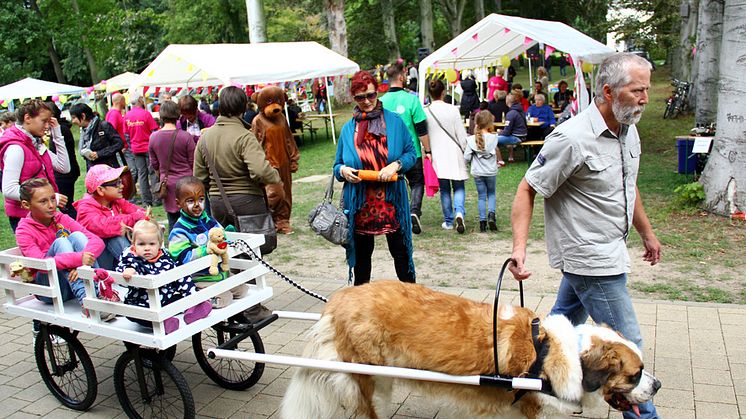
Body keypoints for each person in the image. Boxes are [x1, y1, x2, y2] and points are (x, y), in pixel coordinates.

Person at [509, 53, 660, 419]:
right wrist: (519, 249)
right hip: (590, 258)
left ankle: (529, 387)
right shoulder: (572, 138)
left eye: (647, 90)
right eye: (636, 90)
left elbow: (628, 184)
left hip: (611, 249)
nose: (644, 99)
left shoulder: (628, 129)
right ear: (608, 91)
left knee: (555, 333)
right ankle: (643, 414)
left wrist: (647, 233)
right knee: (628, 348)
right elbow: (527, 188)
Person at [194, 86, 281, 323]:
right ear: (244, 107)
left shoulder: (206, 136)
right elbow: (260, 170)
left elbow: (198, 176)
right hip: (247, 201)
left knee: (226, 253)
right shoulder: (244, 136)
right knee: (251, 254)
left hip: (218, 203)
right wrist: (276, 176)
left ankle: (232, 300)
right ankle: (252, 309)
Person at [335, 70, 417, 285]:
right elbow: (336, 166)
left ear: (378, 92)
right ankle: (361, 305)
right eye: (361, 98)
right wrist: (343, 171)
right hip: (361, 203)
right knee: (362, 261)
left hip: (391, 201)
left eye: (371, 95)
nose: (367, 102)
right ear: (354, 98)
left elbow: (411, 153)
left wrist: (396, 165)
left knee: (401, 254)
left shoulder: (395, 122)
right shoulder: (347, 129)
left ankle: (412, 303)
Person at [15, 178, 110, 320]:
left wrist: (80, 265)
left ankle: (96, 294)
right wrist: (78, 259)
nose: (51, 205)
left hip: (71, 281)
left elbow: (96, 241)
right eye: (43, 201)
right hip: (49, 290)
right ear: (26, 204)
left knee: (77, 236)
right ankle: (88, 302)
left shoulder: (60, 218)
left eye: (53, 198)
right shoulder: (24, 230)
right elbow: (40, 263)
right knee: (61, 242)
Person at [168, 177, 251, 311]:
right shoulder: (179, 230)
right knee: (225, 299)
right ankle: (199, 299)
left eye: (201, 199)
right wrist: (204, 251)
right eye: (190, 201)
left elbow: (220, 235)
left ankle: (220, 290)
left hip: (220, 273)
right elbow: (182, 257)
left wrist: (227, 236)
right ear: (179, 203)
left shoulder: (209, 220)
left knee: (242, 290)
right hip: (201, 278)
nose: (197, 205)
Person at [118, 218, 211, 333]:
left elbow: (176, 274)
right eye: (141, 244)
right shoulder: (132, 259)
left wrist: (188, 293)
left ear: (159, 244)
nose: (147, 248)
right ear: (134, 244)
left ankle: (193, 307)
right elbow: (122, 267)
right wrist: (128, 270)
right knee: (136, 313)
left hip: (165, 298)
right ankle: (164, 323)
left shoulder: (163, 256)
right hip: (142, 301)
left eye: (151, 244)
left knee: (180, 276)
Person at [0, 100, 70, 232]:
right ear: (27, 118)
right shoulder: (16, 148)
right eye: (44, 121)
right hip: (24, 217)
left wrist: (57, 133)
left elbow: (64, 167)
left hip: (40, 214)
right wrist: (49, 197)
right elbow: (9, 189)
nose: (47, 125)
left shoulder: (35, 143)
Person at [379, 61, 431, 234]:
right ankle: (414, 211)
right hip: (412, 152)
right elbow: (421, 129)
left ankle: (394, 215)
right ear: (401, 77)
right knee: (417, 183)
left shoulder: (380, 102)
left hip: (388, 153)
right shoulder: (411, 100)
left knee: (392, 184)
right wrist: (428, 150)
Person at [74, 165, 146, 270]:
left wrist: (137, 216)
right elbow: (105, 227)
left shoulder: (115, 202)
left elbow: (143, 213)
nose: (121, 186)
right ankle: (140, 270)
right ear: (100, 190)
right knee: (113, 235)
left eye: (121, 181)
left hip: (118, 259)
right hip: (98, 264)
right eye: (116, 184)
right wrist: (134, 218)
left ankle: (144, 266)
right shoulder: (85, 209)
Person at [424, 79, 469, 233]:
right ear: (443, 92)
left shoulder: (426, 111)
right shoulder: (452, 110)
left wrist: (428, 151)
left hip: (437, 153)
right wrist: (465, 149)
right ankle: (459, 212)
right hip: (454, 151)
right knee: (458, 186)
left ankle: (449, 220)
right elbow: (461, 134)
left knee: (444, 189)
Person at [149, 101, 197, 229]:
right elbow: (193, 163)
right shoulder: (186, 137)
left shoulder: (153, 137)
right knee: (192, 221)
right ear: (177, 114)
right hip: (187, 183)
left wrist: (161, 174)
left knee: (173, 222)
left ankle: (175, 247)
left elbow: (154, 164)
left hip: (168, 184)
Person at [464, 110, 504, 232]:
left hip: (478, 172)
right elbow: (496, 152)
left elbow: (466, 157)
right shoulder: (494, 138)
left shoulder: (471, 140)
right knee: (491, 194)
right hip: (491, 171)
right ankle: (491, 215)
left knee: (481, 196)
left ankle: (482, 222)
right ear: (490, 123)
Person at [46, 102, 80, 219]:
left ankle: (76, 225)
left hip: (65, 174)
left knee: (65, 205)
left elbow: (61, 154)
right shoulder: (61, 128)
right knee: (66, 203)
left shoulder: (61, 130)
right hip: (65, 172)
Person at [125, 92, 160, 206]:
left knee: (142, 174)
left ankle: (146, 201)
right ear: (140, 100)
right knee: (153, 173)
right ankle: (156, 198)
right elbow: (154, 130)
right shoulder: (145, 114)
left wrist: (131, 146)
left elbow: (126, 134)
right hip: (148, 147)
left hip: (136, 148)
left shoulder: (127, 116)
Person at [70, 103, 124, 170]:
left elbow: (119, 144)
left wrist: (99, 154)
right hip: (94, 170)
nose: (73, 121)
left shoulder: (104, 126)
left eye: (74, 118)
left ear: (83, 116)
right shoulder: (84, 131)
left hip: (109, 169)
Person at [498, 92, 527, 162]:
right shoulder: (520, 110)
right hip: (523, 136)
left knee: (493, 139)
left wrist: (499, 132)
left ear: (507, 101)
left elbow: (506, 132)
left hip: (517, 137)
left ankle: (500, 160)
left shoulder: (511, 113)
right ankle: (510, 157)